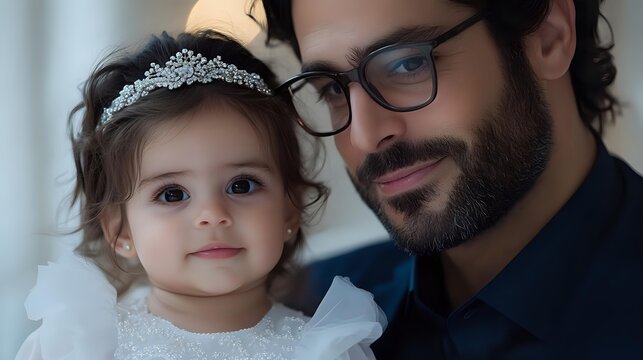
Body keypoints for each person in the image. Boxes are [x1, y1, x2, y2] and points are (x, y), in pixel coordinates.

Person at [252, 0, 643, 358]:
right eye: (334, 90)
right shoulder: (302, 313)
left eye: (407, 65)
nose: (365, 137)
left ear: (548, 37)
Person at [15, 30, 386, 360]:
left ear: (290, 210)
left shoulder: (326, 350)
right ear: (120, 230)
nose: (212, 213)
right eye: (172, 194)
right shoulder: (82, 344)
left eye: (242, 185)